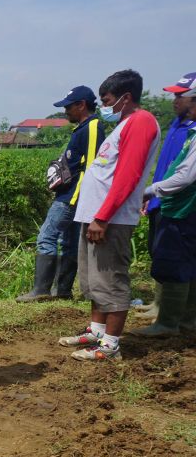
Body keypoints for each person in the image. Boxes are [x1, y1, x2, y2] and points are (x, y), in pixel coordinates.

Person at [61, 69, 161, 361]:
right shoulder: (125, 123)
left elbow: (128, 176)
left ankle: (110, 345)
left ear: (126, 98)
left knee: (111, 280)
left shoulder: (141, 122)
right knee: (94, 280)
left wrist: (103, 217)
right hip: (97, 216)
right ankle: (96, 331)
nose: (103, 106)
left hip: (110, 219)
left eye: (107, 100)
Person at [16, 85, 104, 302]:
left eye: (68, 107)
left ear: (81, 105)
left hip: (72, 197)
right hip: (73, 196)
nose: (66, 112)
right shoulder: (83, 128)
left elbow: (93, 166)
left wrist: (81, 198)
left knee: (46, 236)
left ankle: (41, 290)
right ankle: (62, 290)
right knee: (68, 242)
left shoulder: (92, 127)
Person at [131, 71, 196, 333]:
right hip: (173, 202)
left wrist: (151, 191)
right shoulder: (179, 126)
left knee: (176, 260)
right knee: (180, 259)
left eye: (181, 96)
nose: (175, 101)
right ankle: (185, 320)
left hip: (183, 207)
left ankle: (169, 322)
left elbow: (185, 175)